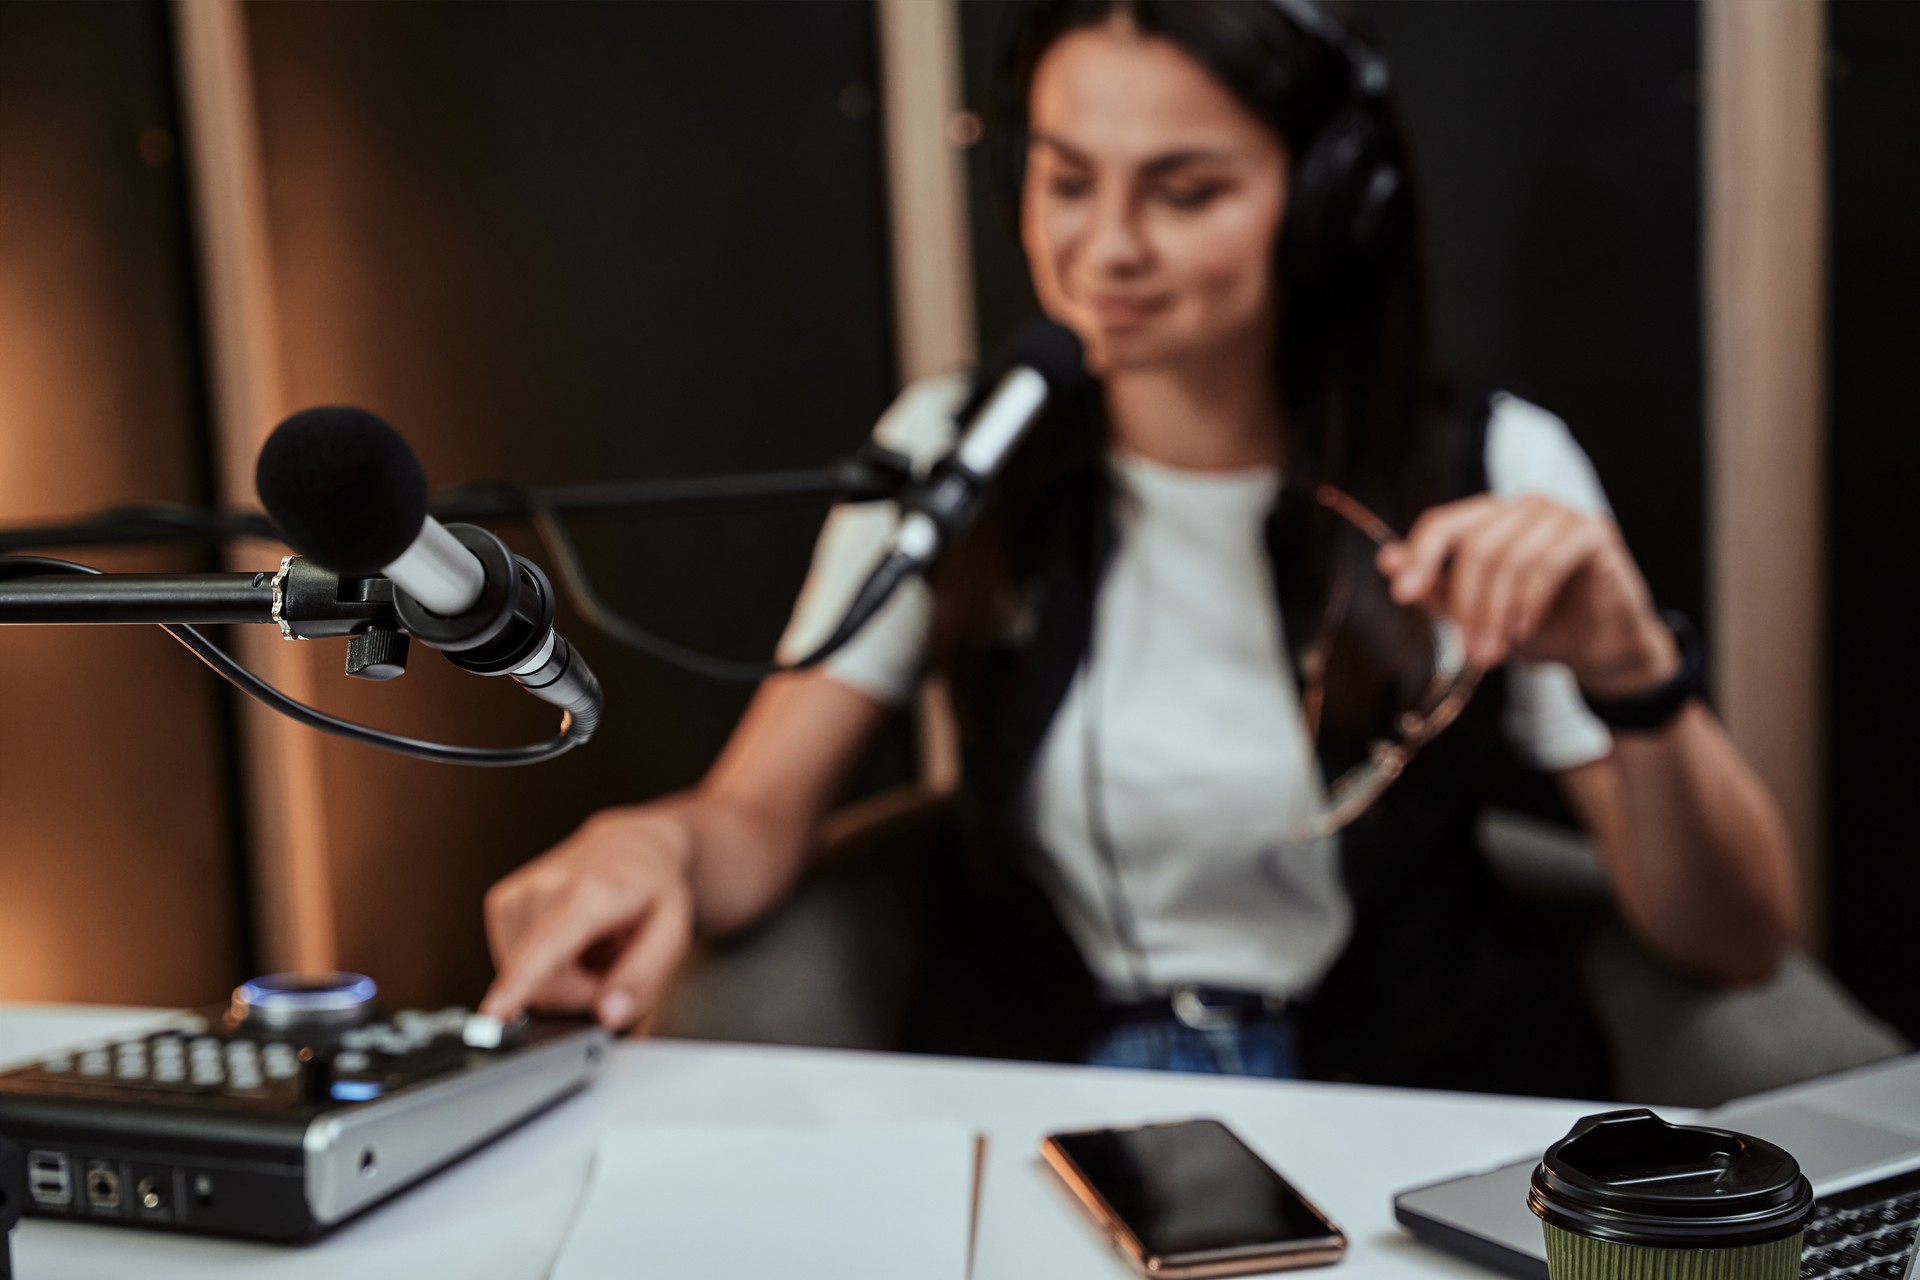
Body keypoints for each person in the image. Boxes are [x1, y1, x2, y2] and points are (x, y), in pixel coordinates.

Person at [479, 0, 1799, 1096]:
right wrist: (649, 844)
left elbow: (1735, 937)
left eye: (1184, 191)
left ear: (1329, 199)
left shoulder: (1500, 471)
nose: (1104, 250)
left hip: (1399, 1104)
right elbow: (750, 824)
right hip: (1041, 1098)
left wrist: (1633, 665)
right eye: (1065, 178)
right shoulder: (958, 450)